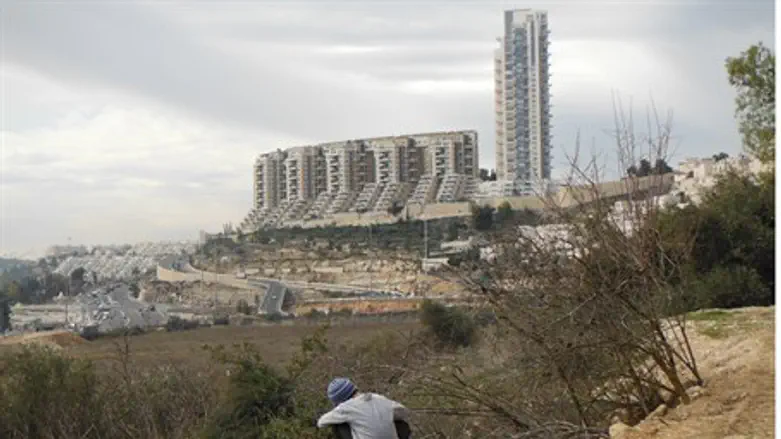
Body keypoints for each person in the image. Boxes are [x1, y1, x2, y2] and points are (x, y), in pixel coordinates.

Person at [316, 377, 411, 439]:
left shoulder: (345, 408)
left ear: (339, 400)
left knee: (338, 424)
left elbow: (321, 422)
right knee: (396, 420)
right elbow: (404, 412)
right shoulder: (378, 398)